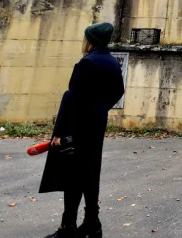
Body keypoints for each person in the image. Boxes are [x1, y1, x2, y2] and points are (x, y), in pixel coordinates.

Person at [41, 22, 125, 238]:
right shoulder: (113, 62)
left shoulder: (86, 63)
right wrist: (100, 108)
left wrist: (58, 132)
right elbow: (118, 91)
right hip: (96, 127)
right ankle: (92, 223)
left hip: (77, 128)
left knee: (73, 177)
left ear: (91, 41)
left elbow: (71, 98)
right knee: (90, 174)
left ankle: (68, 227)